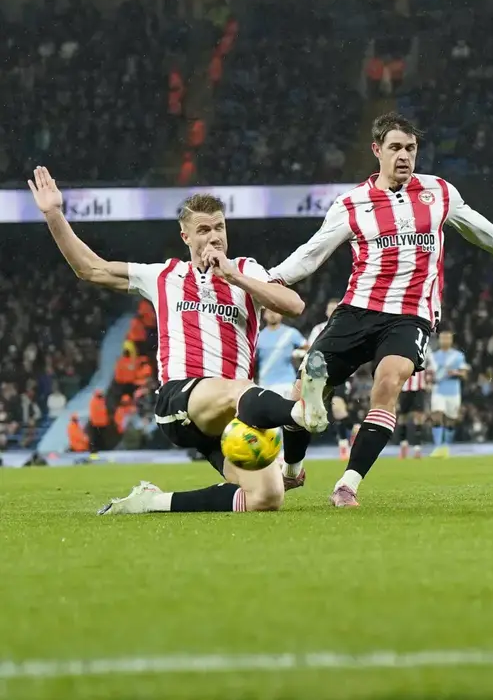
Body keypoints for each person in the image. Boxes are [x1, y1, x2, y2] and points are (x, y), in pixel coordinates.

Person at [268, 113, 493, 507]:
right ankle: (293, 471)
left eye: (411, 149)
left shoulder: (439, 193)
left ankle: (348, 484)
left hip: (410, 314)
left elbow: (475, 226)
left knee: (388, 384)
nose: (404, 156)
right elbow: (313, 252)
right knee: (306, 389)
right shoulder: (352, 203)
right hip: (357, 310)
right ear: (377, 150)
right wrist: (271, 279)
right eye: (395, 148)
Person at [26, 167, 328, 515]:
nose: (214, 236)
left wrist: (233, 275)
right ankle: (298, 412)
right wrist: (53, 215)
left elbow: (294, 305)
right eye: (203, 230)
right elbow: (90, 268)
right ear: (186, 237)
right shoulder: (164, 275)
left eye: (219, 227)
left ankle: (151, 502)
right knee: (239, 388)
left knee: (266, 498)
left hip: (229, 416)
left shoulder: (246, 270)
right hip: (180, 400)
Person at [427, 331, 469, 458]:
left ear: (451, 340)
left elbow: (465, 374)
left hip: (453, 391)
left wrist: (456, 373)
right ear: (439, 340)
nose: (445, 340)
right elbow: (430, 374)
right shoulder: (433, 356)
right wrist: (429, 379)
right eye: (442, 338)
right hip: (438, 390)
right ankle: (438, 446)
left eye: (447, 338)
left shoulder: (458, 356)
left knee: (451, 420)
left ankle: (446, 446)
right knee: (437, 415)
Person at [256, 309, 307, 397]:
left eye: (275, 311)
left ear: (282, 314)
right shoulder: (258, 336)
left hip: (286, 383)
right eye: (269, 312)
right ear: (264, 315)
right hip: (265, 383)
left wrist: (299, 354)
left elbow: (308, 348)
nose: (272, 314)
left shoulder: (291, 333)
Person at [396, 367, 428, 460]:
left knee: (418, 418)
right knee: (403, 417)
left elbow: (431, 368)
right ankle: (403, 445)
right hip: (404, 388)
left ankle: (417, 449)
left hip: (419, 389)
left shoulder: (426, 353)